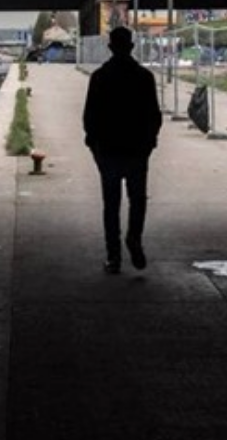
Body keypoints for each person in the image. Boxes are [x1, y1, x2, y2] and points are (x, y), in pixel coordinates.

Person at [83, 26, 163, 274]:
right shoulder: (144, 77)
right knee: (137, 200)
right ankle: (134, 238)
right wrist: (149, 142)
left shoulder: (99, 77)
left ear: (110, 47)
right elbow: (154, 115)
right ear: (132, 47)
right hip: (137, 150)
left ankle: (113, 256)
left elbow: (89, 117)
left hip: (108, 150)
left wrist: (94, 145)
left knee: (111, 204)